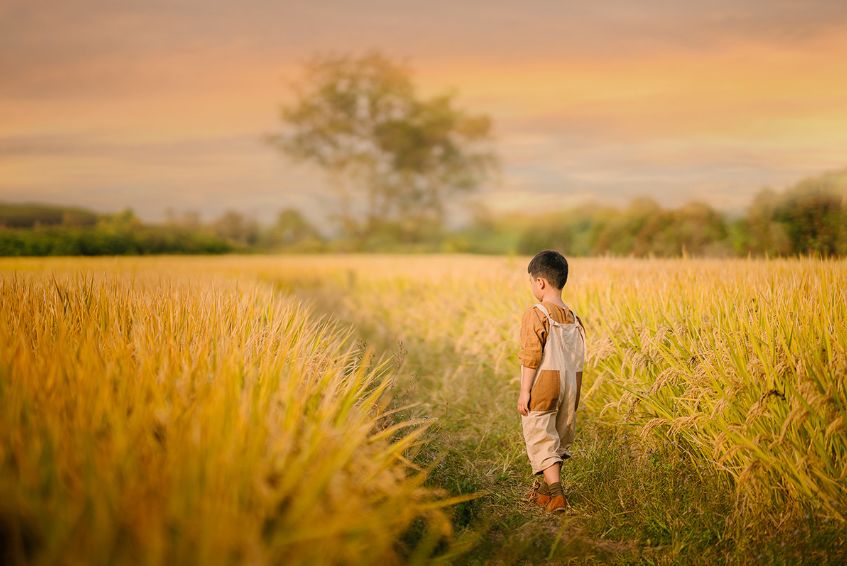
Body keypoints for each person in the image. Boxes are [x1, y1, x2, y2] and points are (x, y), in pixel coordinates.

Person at [517, 249, 586, 513]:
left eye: (532, 282)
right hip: (571, 386)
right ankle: (544, 492)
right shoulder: (573, 316)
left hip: (546, 383)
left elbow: (531, 356)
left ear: (540, 283)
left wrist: (525, 391)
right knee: (557, 435)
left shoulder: (537, 313)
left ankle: (557, 495)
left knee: (540, 434)